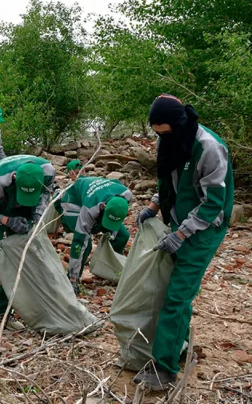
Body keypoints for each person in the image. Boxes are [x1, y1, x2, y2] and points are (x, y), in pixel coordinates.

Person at [133, 94, 234, 390]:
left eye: (164, 132)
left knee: (177, 296)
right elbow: (169, 179)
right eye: (157, 133)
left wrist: (181, 234)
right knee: (172, 289)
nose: (161, 138)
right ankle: (181, 345)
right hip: (180, 221)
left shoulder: (209, 149)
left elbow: (213, 203)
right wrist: (154, 205)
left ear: (178, 124)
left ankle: (164, 369)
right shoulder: (170, 138)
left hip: (205, 229)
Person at [0, 155, 56, 333]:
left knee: (18, 260)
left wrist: (38, 217)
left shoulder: (48, 173)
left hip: (25, 209)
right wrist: (6, 220)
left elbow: (45, 194)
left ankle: (4, 313)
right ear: (15, 179)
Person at [55, 176, 132, 295]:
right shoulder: (90, 208)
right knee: (87, 245)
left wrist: (113, 231)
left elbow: (115, 183)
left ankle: (108, 269)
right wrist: (72, 278)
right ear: (105, 207)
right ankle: (73, 277)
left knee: (122, 236)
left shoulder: (126, 195)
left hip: (99, 199)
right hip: (73, 202)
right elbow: (79, 241)